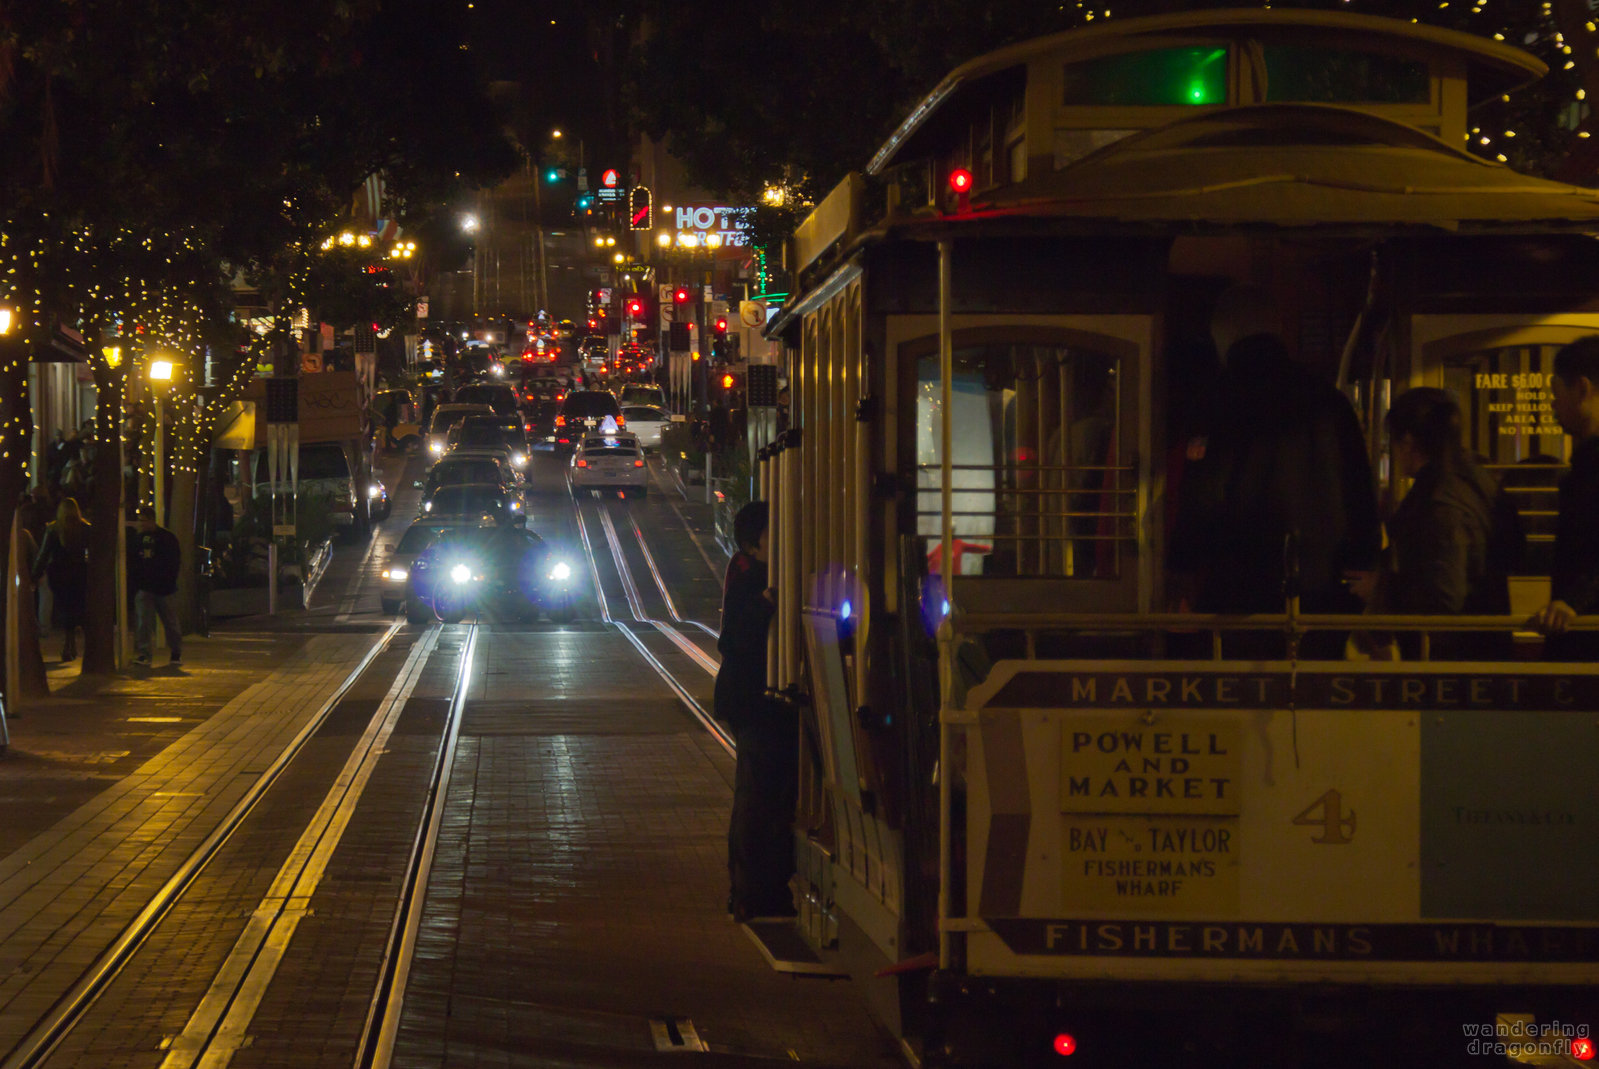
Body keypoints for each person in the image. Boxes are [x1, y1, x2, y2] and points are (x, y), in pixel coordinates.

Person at [1167, 285, 1381, 657]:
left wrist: (1182, 571)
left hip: (1238, 593)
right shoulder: (1329, 401)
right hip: (1322, 593)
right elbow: (1359, 493)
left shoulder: (1216, 401)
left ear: (1225, 332)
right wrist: (1361, 567)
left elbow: (1201, 496)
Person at [1358, 388, 1523, 660]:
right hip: (1491, 645)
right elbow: (1515, 550)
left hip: (1453, 661)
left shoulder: (1439, 502)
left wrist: (1381, 587)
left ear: (1408, 442)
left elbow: (1443, 597)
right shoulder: (1479, 481)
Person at [716, 501, 797, 921]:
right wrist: (766, 605)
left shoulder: (756, 572)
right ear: (753, 543)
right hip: (753, 701)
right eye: (773, 535)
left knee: (767, 798)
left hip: (764, 701)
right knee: (758, 799)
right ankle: (751, 893)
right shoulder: (750, 578)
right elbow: (732, 640)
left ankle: (762, 890)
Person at [1532, 336, 1599, 659]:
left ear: (1583, 390)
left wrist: (1574, 601)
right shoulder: (1585, 461)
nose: (1553, 405)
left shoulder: (1590, 465)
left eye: (1557, 393)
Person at [33, 497, 91, 661]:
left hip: (58, 573)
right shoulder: (85, 528)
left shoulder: (53, 529)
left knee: (64, 607)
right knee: (77, 606)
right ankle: (73, 643)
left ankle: (68, 643)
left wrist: (35, 575)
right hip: (79, 572)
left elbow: (44, 554)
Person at [129, 505, 182, 667]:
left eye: (144, 521)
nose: (141, 525)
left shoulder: (165, 538)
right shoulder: (139, 539)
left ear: (152, 520)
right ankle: (145, 653)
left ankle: (175, 652)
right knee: (143, 621)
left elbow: (173, 562)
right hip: (147, 586)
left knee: (169, 621)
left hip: (163, 587)